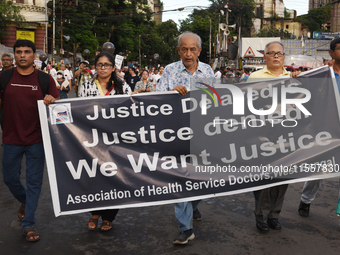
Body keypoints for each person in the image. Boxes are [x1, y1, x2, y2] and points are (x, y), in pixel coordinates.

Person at [157, 31, 214, 244]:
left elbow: (215, 101)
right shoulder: (170, 71)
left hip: (202, 134)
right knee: (180, 179)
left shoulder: (208, 71)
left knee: (200, 179)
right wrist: (171, 92)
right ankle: (185, 228)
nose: (188, 53)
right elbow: (158, 101)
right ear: (178, 50)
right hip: (176, 135)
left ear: (199, 51)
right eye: (184, 49)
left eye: (193, 49)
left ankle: (194, 205)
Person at [0, 39, 59, 242]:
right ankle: (26, 201)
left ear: (35, 55)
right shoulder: (4, 77)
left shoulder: (45, 79)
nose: (22, 55)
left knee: (34, 182)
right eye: (18, 52)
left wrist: (52, 100)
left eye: (27, 51)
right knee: (9, 178)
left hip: (37, 139)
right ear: (14, 55)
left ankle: (29, 224)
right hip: (10, 138)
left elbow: (59, 107)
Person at [78, 52, 131, 231]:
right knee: (94, 176)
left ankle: (109, 216)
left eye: (106, 65)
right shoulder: (86, 86)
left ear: (113, 67)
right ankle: (95, 212)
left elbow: (131, 110)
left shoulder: (123, 86)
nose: (103, 68)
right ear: (95, 66)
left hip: (116, 140)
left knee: (114, 177)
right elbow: (78, 110)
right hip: (92, 138)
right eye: (99, 64)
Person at [248, 41, 295, 232]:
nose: (276, 56)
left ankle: (274, 215)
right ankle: (260, 216)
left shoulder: (293, 77)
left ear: (284, 56)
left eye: (279, 53)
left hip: (288, 134)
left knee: (282, 179)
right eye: (271, 53)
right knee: (263, 178)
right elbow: (244, 106)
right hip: (262, 133)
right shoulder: (254, 77)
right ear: (264, 56)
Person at [298, 37, 340, 217]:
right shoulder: (323, 74)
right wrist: (295, 77)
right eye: (339, 49)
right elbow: (306, 91)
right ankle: (306, 200)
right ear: (331, 53)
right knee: (318, 171)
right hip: (326, 130)